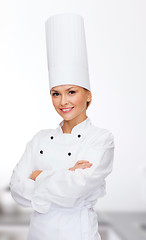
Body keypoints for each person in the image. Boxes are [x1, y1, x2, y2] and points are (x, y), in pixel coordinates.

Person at [9, 13, 115, 240]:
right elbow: (17, 188)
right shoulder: (39, 138)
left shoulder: (101, 139)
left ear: (88, 95)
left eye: (71, 92)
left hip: (77, 233)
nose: (63, 102)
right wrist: (66, 174)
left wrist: (38, 176)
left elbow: (77, 189)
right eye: (56, 94)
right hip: (38, 234)